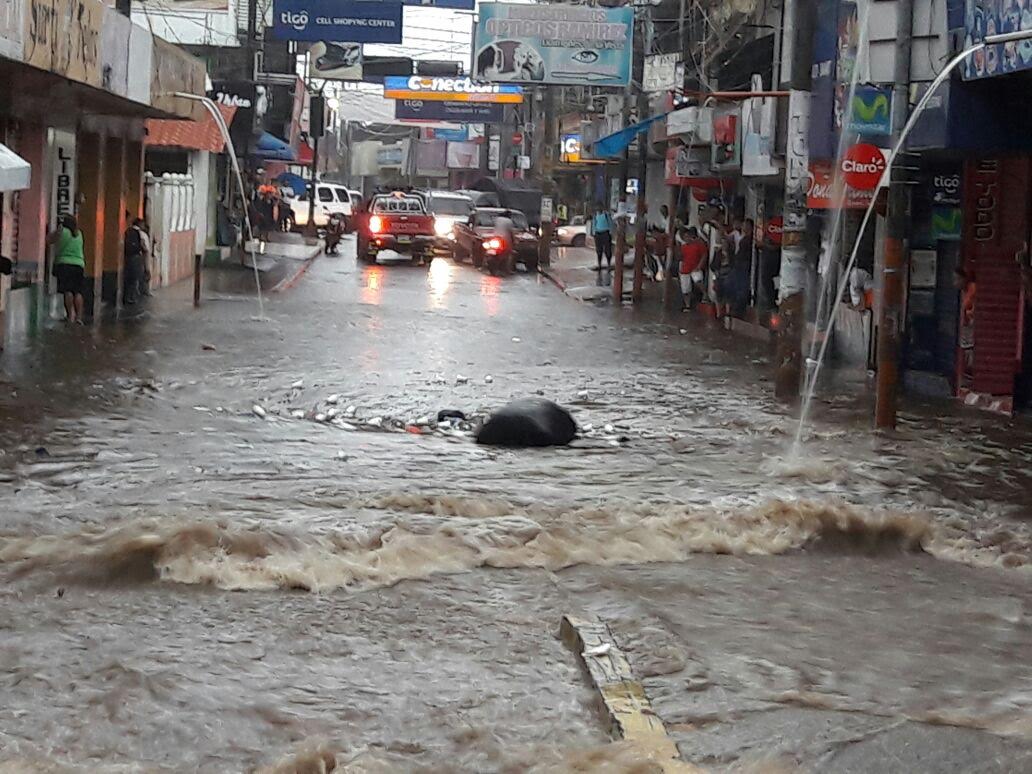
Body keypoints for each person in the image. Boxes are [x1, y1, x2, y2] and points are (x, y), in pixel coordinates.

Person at [48, 214, 86, 324]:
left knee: (68, 291)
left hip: (65, 264)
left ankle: (70, 316)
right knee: (78, 291)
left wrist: (57, 230)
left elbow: (49, 240)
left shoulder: (62, 232)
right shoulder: (79, 234)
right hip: (79, 265)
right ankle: (79, 317)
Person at [678, 226, 707, 311]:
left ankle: (705, 295)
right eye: (685, 237)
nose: (687, 238)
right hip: (685, 269)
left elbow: (704, 255)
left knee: (698, 280)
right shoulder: (683, 247)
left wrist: (699, 266)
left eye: (688, 236)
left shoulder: (699, 245)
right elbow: (681, 258)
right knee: (685, 289)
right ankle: (687, 305)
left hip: (695, 268)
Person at [123, 217, 149, 304]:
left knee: (129, 278)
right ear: (140, 224)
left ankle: (128, 296)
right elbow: (144, 247)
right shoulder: (141, 233)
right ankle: (133, 297)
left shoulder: (127, 231)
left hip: (127, 257)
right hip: (136, 257)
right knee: (135, 278)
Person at [587, 202, 614, 273]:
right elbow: (594, 224)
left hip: (606, 233)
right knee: (599, 250)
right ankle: (599, 265)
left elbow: (610, 223)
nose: (598, 209)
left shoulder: (606, 215)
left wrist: (610, 232)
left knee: (608, 250)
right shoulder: (595, 215)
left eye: (599, 207)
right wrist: (594, 233)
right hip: (598, 234)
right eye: (597, 208)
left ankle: (609, 264)